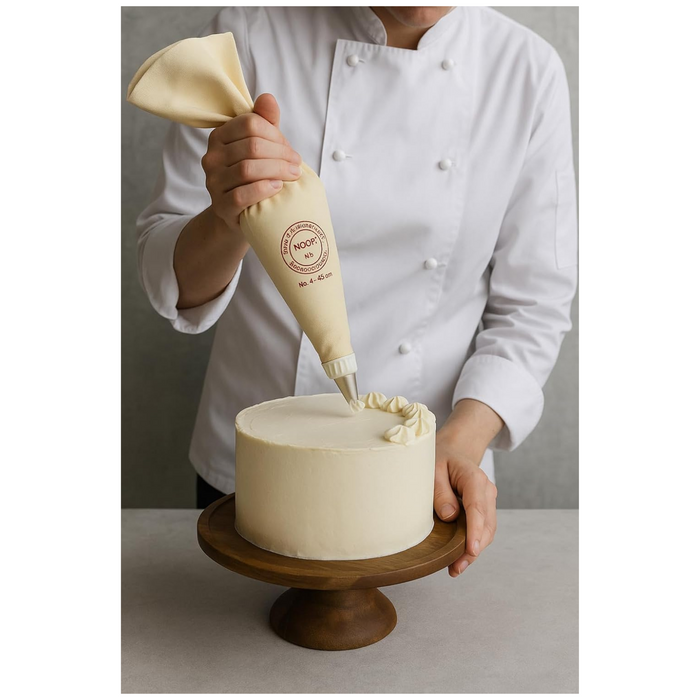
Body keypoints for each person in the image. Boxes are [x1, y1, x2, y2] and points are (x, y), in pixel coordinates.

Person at [136, 6, 577, 577]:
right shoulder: (250, 32)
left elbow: (534, 306)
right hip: (249, 474)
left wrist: (460, 443)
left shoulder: (526, 70)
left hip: (428, 477)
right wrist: (228, 218)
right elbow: (170, 277)